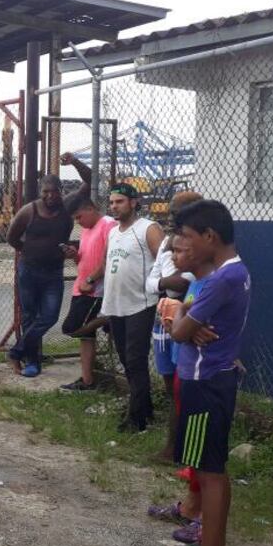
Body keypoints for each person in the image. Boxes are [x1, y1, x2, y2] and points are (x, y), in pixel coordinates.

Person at [155, 200, 250, 546]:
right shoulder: (233, 274)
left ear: (210, 237)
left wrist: (179, 313)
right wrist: (186, 314)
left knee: (208, 474)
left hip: (204, 383)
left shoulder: (219, 280)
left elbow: (178, 326)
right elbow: (187, 316)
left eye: (189, 240)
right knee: (212, 470)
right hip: (214, 380)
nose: (184, 248)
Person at [6, 153, 92, 377]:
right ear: (40, 192)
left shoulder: (67, 206)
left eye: (54, 191)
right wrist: (29, 250)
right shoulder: (29, 211)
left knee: (50, 316)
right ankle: (32, 362)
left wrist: (74, 162)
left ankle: (16, 352)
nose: (50, 196)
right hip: (29, 271)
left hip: (53, 272)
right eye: (45, 191)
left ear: (61, 191)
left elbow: (91, 179)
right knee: (29, 317)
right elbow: (11, 237)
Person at [102, 182, 164, 433]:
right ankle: (145, 408)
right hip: (116, 304)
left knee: (136, 360)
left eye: (120, 202)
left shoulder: (147, 228)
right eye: (112, 202)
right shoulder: (113, 232)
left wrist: (160, 290)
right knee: (127, 361)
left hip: (141, 303)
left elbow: (164, 261)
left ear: (133, 202)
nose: (114, 206)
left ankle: (136, 419)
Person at [147, 191, 203, 459]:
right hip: (164, 316)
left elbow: (189, 281)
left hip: (185, 316)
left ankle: (179, 448)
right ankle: (173, 445)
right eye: (170, 213)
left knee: (184, 386)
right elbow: (153, 281)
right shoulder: (168, 242)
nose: (170, 218)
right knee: (170, 385)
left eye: (176, 214)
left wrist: (168, 282)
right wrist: (166, 282)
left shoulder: (203, 243)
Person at [59, 193, 115, 391]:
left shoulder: (108, 225)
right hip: (82, 287)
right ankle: (87, 380)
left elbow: (110, 259)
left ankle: (108, 319)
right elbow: (85, 259)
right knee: (86, 335)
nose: (78, 222)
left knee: (71, 327)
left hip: (95, 290)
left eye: (79, 217)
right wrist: (75, 255)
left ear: (90, 208)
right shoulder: (87, 230)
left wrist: (91, 279)